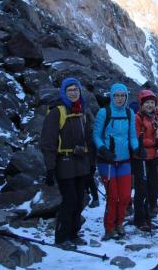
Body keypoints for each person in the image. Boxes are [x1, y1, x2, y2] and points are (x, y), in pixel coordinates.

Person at [40, 77, 93, 246]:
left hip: (80, 162)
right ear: (64, 92)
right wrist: (50, 168)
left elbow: (88, 138)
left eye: (75, 90)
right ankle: (62, 237)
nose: (73, 93)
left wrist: (91, 163)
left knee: (79, 199)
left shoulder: (82, 110)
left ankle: (74, 234)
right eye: (69, 90)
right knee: (69, 200)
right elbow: (48, 141)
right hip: (64, 162)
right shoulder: (57, 111)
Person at [93, 83, 139, 240]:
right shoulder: (103, 113)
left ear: (126, 97)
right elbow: (96, 136)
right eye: (116, 95)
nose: (120, 98)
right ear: (112, 96)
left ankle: (119, 224)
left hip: (124, 160)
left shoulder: (129, 113)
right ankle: (109, 227)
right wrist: (103, 150)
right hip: (107, 162)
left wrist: (137, 148)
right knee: (113, 196)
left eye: (122, 95)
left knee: (125, 196)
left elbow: (132, 136)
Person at [132, 89, 158, 232]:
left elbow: (152, 135)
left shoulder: (152, 117)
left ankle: (150, 210)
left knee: (153, 185)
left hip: (152, 156)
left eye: (152, 103)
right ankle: (140, 219)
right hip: (140, 157)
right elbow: (137, 138)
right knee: (141, 189)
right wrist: (156, 142)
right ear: (141, 104)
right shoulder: (137, 118)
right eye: (147, 102)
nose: (149, 105)